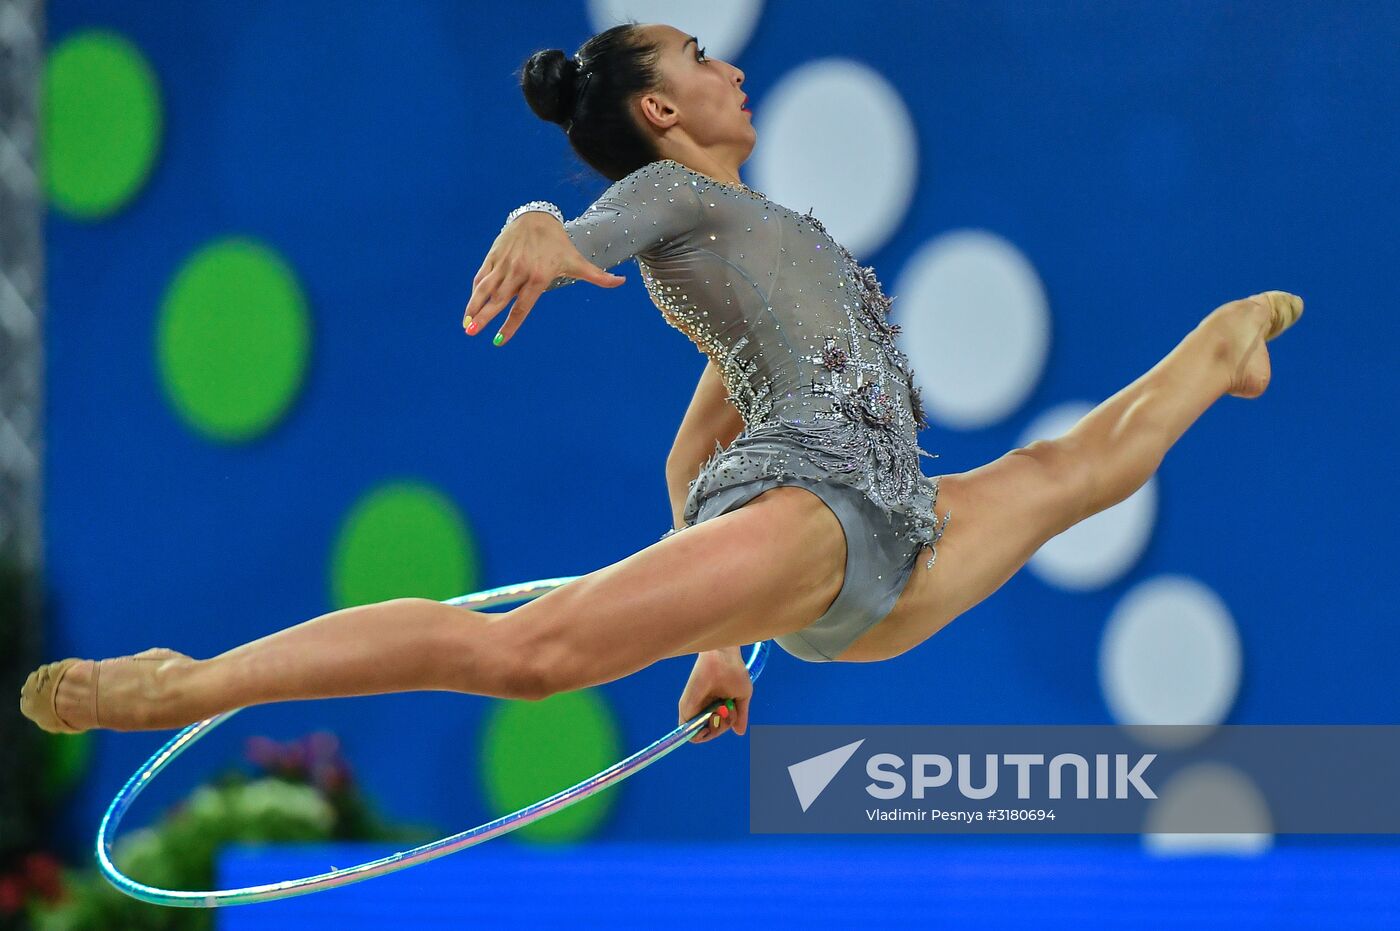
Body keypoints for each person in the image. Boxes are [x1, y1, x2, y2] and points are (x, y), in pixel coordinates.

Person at [20, 22, 1303, 744]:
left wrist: (718, 649)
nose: (725, 64)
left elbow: (693, 464)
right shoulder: (674, 198)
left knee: (1064, 472)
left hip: (880, 546)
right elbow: (585, 236)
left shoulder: (769, 243)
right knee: (522, 651)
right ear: (659, 113)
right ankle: (190, 681)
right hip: (812, 521)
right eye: (696, 55)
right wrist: (540, 223)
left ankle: (1223, 339)